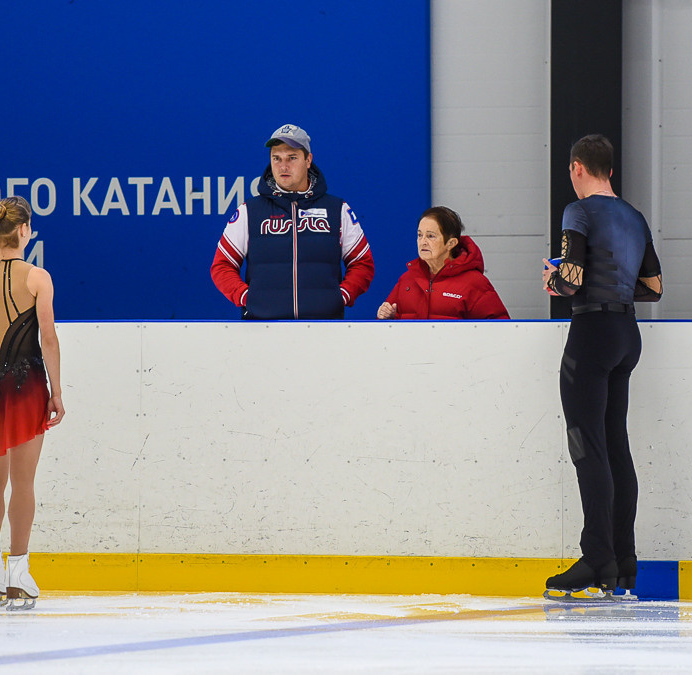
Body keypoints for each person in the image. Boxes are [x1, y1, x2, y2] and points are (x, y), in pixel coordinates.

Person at [541, 134, 662, 599]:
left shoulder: (580, 211)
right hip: (627, 337)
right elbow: (652, 287)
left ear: (577, 168)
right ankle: (623, 561)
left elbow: (570, 281)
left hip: (591, 336)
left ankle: (596, 558)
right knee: (615, 447)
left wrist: (554, 279)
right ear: (610, 170)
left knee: (587, 447)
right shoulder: (634, 216)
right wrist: (610, 286)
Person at [0, 196, 64, 610]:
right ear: (24, 230)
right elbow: (48, 338)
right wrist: (57, 391)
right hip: (26, 383)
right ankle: (18, 572)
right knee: (23, 482)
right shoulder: (38, 277)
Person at [211, 124, 374, 319]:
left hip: (325, 330)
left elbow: (362, 263)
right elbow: (222, 266)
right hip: (263, 330)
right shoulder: (250, 211)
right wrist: (248, 298)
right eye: (276, 158)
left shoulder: (336, 209)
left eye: (292, 158)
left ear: (308, 160)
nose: (283, 166)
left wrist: (341, 297)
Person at [377, 206, 509, 320]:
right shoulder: (407, 280)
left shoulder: (475, 283)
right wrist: (386, 317)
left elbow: (499, 329)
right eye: (419, 235)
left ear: (451, 243)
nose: (422, 242)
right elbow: (386, 332)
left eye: (430, 236)